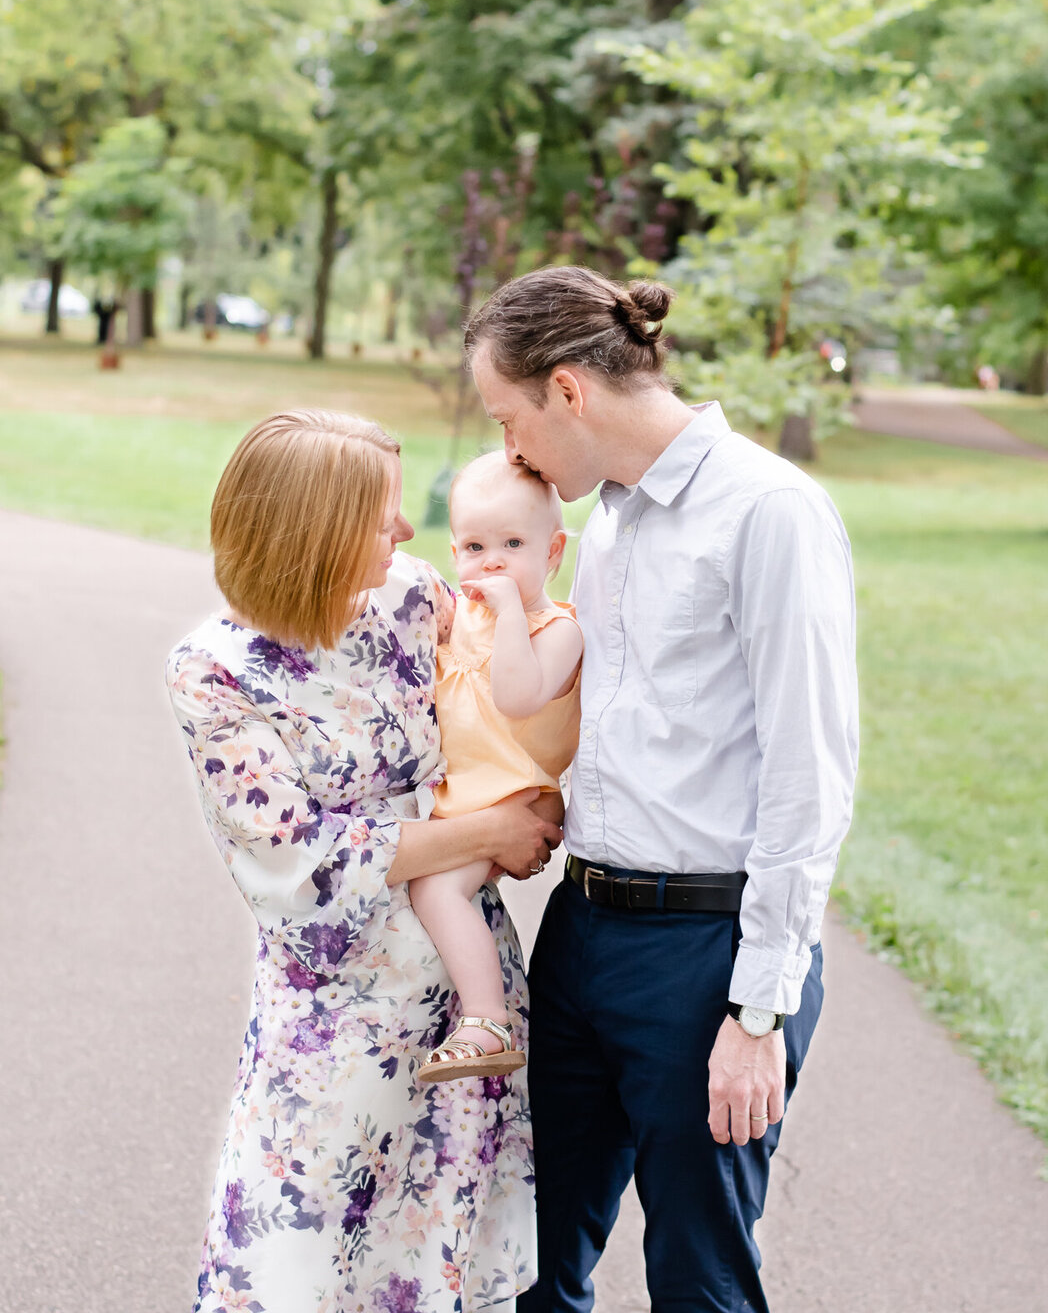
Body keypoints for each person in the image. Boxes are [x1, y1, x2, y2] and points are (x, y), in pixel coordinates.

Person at [464, 267, 859, 1313]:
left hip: (709, 954)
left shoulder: (771, 512)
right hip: (584, 931)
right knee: (529, 1264)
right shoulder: (606, 522)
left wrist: (758, 1012)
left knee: (699, 1280)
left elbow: (809, 774)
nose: (510, 451)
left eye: (509, 418)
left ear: (567, 391)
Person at [165, 409, 560, 1313]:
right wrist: (487, 834)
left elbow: (507, 695)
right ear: (318, 527)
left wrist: (534, 790)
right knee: (299, 1256)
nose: (409, 531)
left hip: (465, 997)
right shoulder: (215, 672)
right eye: (384, 511)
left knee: (440, 1256)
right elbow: (304, 862)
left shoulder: (416, 598)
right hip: (337, 1016)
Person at [411, 452, 583, 1083]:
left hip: (508, 796)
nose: (493, 561)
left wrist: (511, 613)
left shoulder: (556, 629)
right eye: (476, 546)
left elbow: (515, 696)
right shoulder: (463, 616)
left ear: (553, 551)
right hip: (459, 794)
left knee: (437, 888)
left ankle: (486, 1020)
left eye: (513, 543)